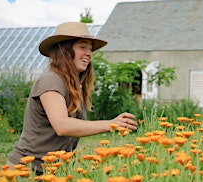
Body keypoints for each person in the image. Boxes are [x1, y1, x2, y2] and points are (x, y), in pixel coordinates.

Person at [7, 22, 138, 175]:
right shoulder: (51, 80)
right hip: (26, 171)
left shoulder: (73, 85)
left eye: (90, 48)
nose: (89, 53)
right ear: (65, 50)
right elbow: (62, 126)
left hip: (54, 171)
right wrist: (110, 124)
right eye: (83, 47)